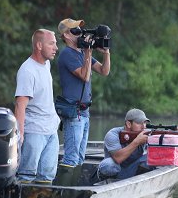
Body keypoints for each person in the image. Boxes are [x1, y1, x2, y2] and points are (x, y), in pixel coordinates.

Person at [56, 18, 111, 169]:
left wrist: (106, 52)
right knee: (71, 158)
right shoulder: (67, 54)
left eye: (80, 30)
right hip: (74, 112)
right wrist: (88, 52)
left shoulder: (82, 53)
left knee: (80, 157)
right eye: (75, 31)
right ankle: (65, 188)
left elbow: (104, 71)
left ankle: (75, 188)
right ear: (66, 35)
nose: (80, 33)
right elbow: (85, 76)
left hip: (84, 112)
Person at [14, 29, 61, 183]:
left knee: (47, 177)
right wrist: (19, 135)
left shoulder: (46, 64)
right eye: (52, 44)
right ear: (39, 45)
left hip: (51, 131)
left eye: (56, 44)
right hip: (34, 132)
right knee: (26, 177)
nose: (56, 48)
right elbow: (20, 105)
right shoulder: (27, 71)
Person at [98, 109, 178, 180]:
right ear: (128, 124)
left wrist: (176, 128)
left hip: (131, 171)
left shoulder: (145, 132)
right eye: (139, 123)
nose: (143, 127)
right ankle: (105, 180)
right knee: (109, 165)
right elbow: (118, 158)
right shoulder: (113, 134)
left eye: (145, 123)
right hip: (114, 171)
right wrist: (136, 142)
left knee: (156, 156)